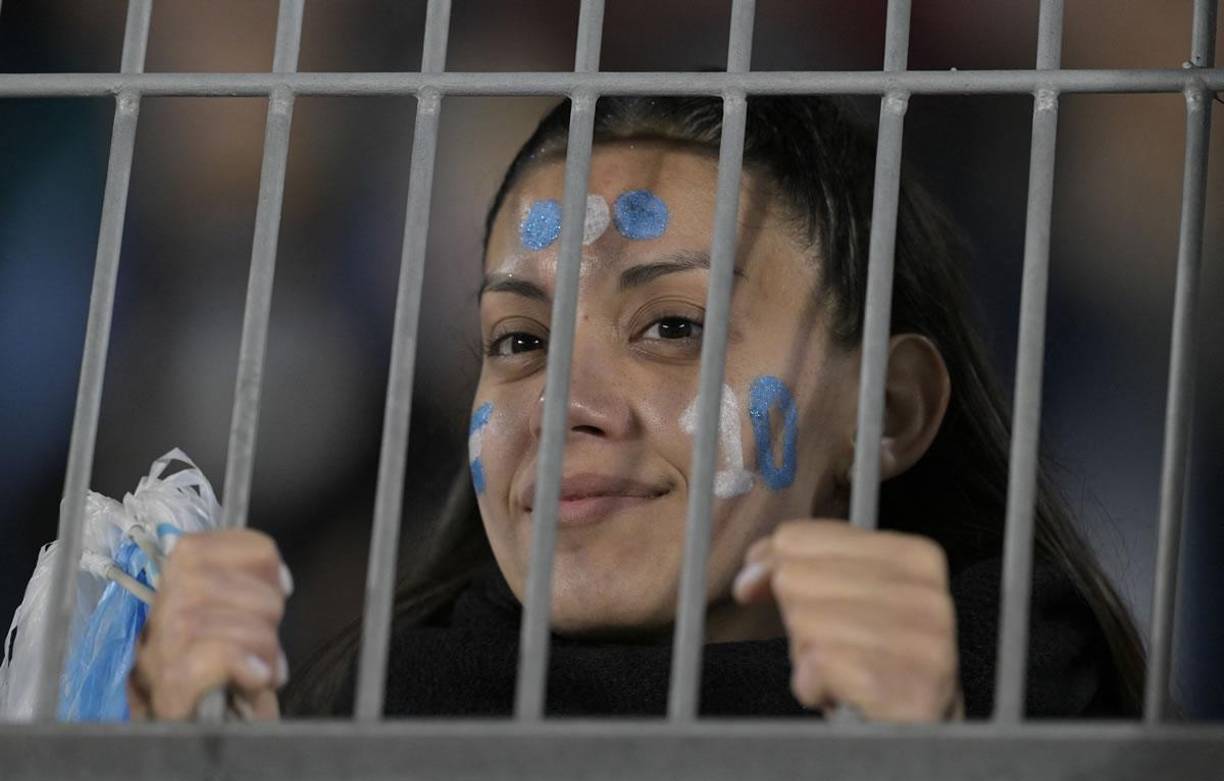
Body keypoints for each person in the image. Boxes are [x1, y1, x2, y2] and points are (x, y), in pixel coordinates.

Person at [126, 95, 1145, 723]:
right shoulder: (354, 737)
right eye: (519, 342)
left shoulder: (1059, 738)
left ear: (886, 410)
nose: (564, 406)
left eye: (672, 328)